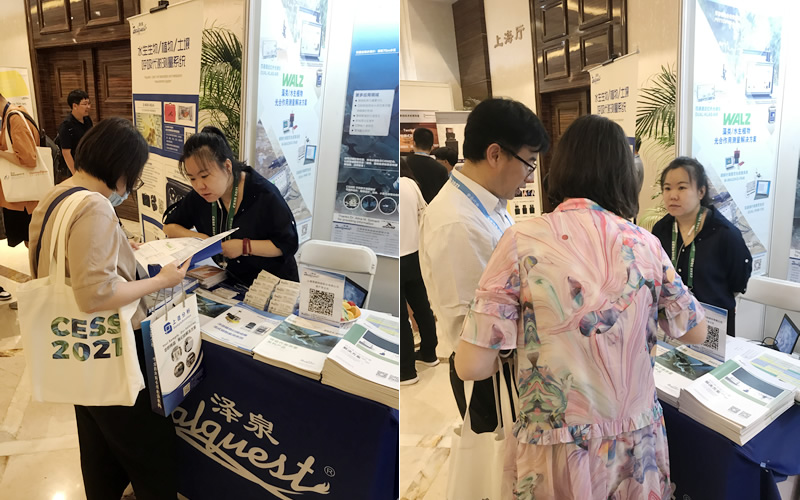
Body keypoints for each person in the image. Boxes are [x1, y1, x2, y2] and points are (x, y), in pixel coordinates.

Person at [455, 114, 709, 499]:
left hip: (555, 447)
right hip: (635, 449)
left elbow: (470, 365)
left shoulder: (520, 240)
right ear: (624, 175)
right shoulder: (645, 244)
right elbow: (696, 330)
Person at [27, 117, 189, 500]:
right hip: (107, 343)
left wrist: (119, 247)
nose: (131, 187)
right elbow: (96, 296)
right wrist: (162, 280)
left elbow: (62, 260)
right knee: (149, 450)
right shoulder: (95, 207)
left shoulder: (59, 193)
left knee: (98, 446)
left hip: (75, 346)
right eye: (134, 176)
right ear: (121, 170)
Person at [419, 97, 548, 432]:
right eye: (529, 164)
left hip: (503, 369)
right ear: (495, 155)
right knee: (494, 461)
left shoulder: (488, 205)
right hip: (487, 377)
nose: (529, 179)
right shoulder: (456, 223)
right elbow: (468, 326)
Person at [163, 126, 299, 286]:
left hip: (273, 284)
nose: (199, 186)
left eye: (205, 176)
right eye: (192, 178)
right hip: (232, 281)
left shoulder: (263, 194)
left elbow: (288, 244)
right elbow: (169, 227)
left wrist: (244, 246)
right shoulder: (201, 196)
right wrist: (203, 240)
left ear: (227, 167)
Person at [652, 157, 752, 336]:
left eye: (682, 187)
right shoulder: (661, 230)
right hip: (673, 324)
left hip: (713, 326)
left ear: (701, 191)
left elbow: (738, 282)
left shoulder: (725, 234)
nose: (673, 195)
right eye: (667, 188)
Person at [399, 158, 438, 385]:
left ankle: (406, 371)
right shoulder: (410, 183)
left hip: (396, 257)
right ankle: (430, 353)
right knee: (422, 306)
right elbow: (424, 215)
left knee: (400, 316)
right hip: (414, 255)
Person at [0, 92, 39, 248]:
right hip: (22, 194)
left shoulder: (14, 118)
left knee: (32, 240)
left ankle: (37, 265)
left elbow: (28, 159)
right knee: (31, 240)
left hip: (23, 196)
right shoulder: (15, 114)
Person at [405, 128, 449, 203]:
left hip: (409, 206)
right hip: (432, 208)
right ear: (432, 147)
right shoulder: (441, 169)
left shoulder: (404, 164)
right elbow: (445, 195)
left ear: (414, 143)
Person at [57, 89, 93, 178]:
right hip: (76, 166)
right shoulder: (66, 125)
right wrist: (75, 173)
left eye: (89, 103)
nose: (88, 107)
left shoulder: (87, 120)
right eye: (85, 104)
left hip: (88, 164)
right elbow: (66, 152)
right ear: (75, 106)